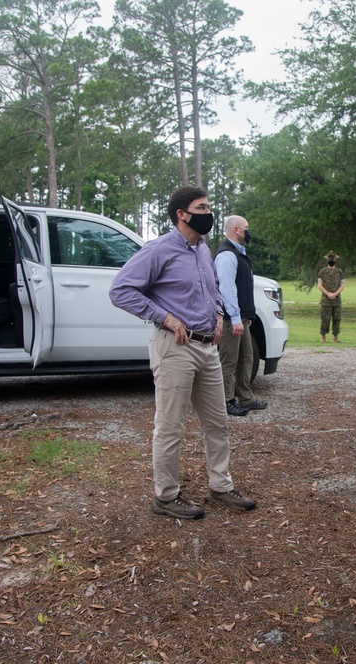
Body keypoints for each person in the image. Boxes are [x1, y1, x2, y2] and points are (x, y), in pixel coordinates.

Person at [109, 186, 256, 521]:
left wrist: (218, 313)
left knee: (218, 422)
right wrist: (163, 316)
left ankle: (221, 486)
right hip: (175, 347)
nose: (208, 213)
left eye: (208, 207)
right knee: (170, 426)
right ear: (182, 214)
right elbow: (120, 289)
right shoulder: (159, 249)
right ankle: (166, 496)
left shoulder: (203, 249)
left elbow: (213, 288)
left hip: (207, 348)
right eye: (201, 207)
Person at [214, 215, 267, 417]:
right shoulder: (227, 255)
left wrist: (247, 314)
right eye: (246, 228)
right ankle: (226, 401)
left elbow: (243, 286)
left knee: (247, 356)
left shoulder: (238, 253)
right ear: (236, 229)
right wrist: (235, 318)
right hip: (229, 319)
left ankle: (246, 397)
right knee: (228, 359)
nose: (248, 231)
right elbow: (227, 290)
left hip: (240, 317)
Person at [317, 251, 345, 342]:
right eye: (330, 259)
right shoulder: (322, 272)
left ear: (335, 260)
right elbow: (320, 285)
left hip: (336, 300)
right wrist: (328, 293)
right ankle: (323, 337)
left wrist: (335, 294)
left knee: (337, 318)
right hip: (325, 300)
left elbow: (342, 285)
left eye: (333, 259)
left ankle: (336, 337)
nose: (331, 260)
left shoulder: (340, 272)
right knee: (325, 319)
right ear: (327, 260)